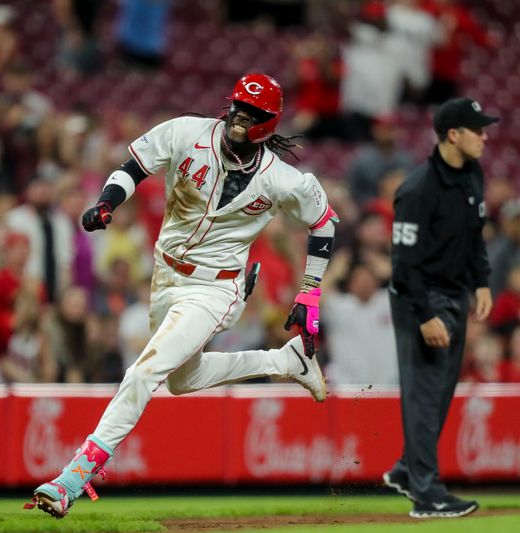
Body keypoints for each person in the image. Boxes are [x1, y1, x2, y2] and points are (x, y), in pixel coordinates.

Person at [27, 73, 337, 518]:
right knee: (180, 379)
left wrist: (309, 290)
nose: (238, 117)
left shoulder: (281, 180)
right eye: (237, 106)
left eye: (251, 113)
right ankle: (287, 361)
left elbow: (324, 221)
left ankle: (73, 478)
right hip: (165, 274)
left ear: (268, 123)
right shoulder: (188, 132)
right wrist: (108, 201)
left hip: (216, 286)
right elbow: (132, 166)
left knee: (143, 373)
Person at [384, 97, 497, 519]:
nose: (486, 136)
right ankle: (426, 494)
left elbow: (475, 235)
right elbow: (402, 266)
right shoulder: (417, 190)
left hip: (454, 292)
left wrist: (482, 280)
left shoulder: (471, 175)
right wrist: (426, 314)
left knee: (441, 392)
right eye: (477, 129)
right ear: (454, 134)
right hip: (421, 296)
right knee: (426, 393)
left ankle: (406, 470)